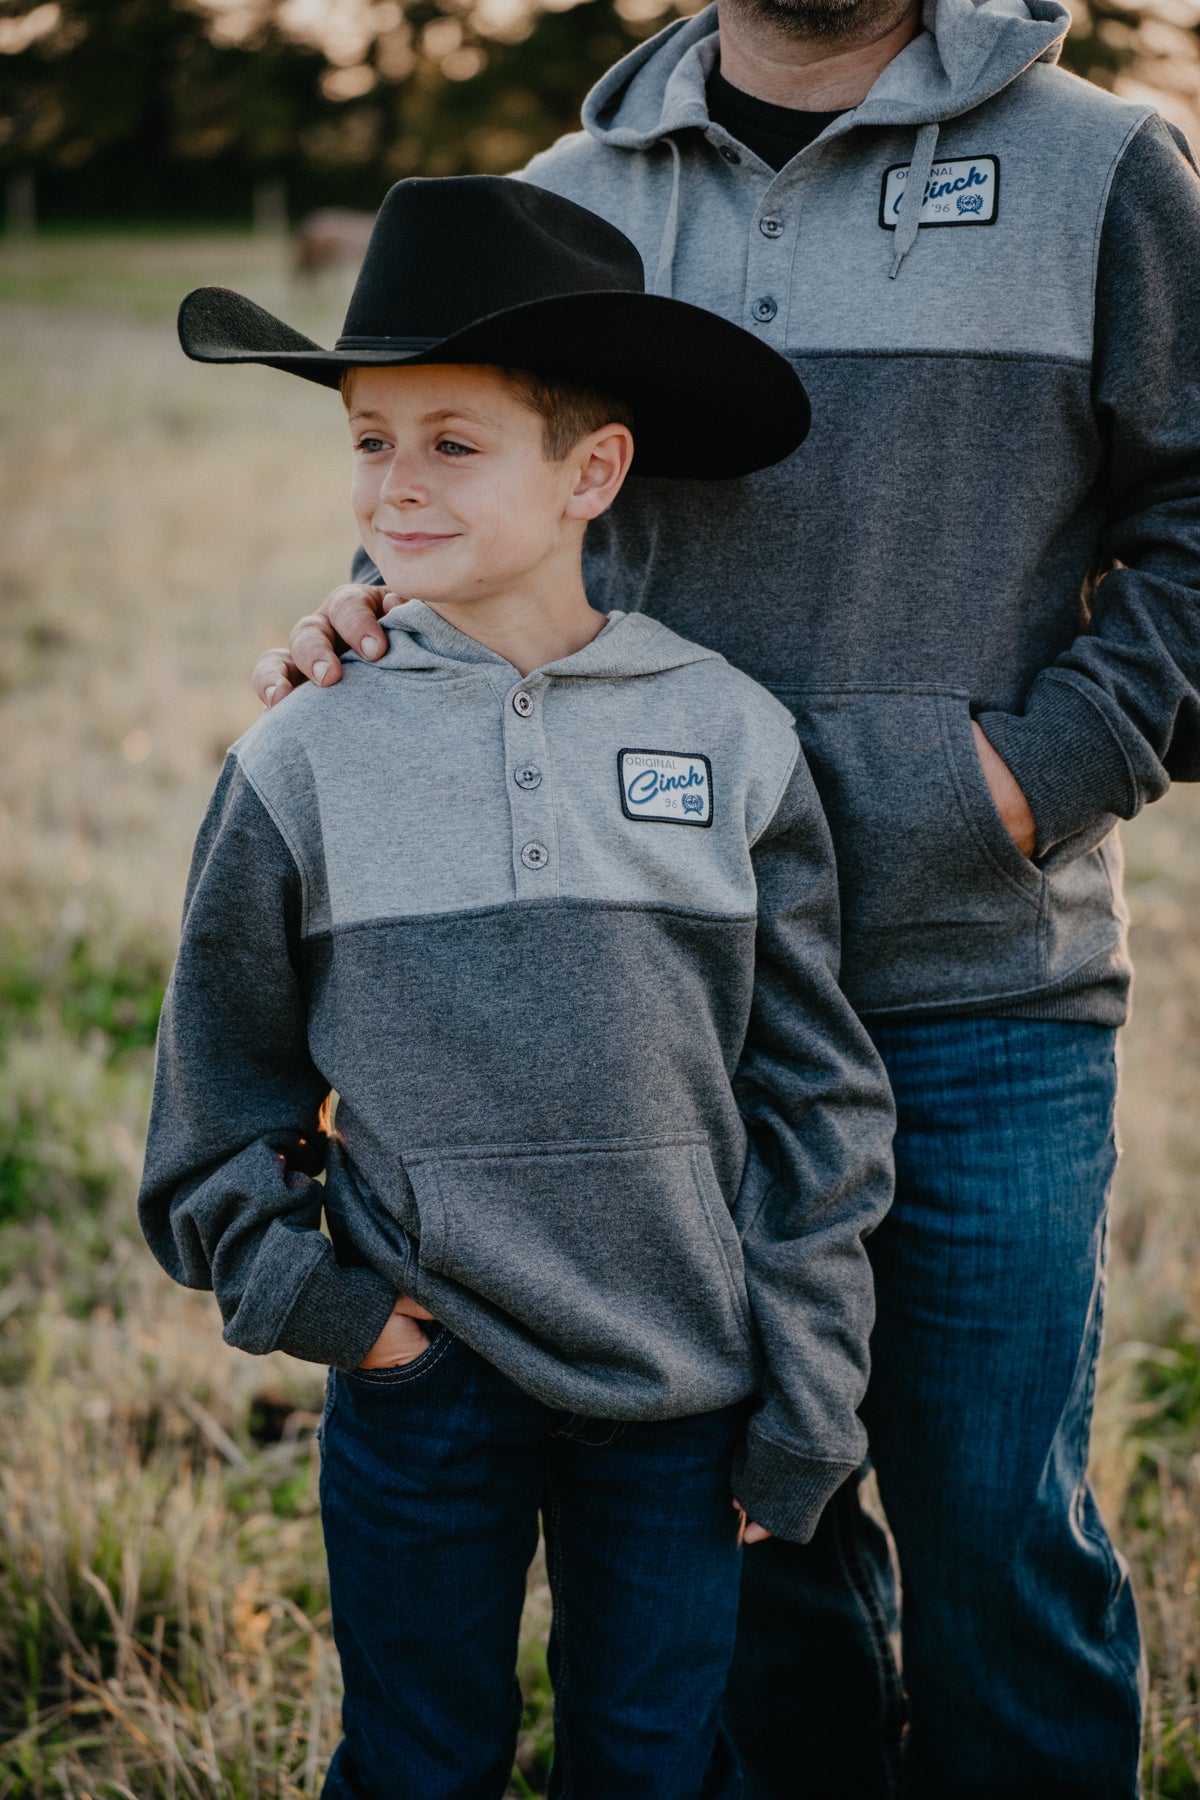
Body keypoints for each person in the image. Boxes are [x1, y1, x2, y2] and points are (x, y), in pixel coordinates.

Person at [254, 0, 1200, 1792]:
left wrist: (1031, 777)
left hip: (978, 982)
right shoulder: (571, 186)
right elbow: (471, 492)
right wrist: (360, 624)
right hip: (650, 1025)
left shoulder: (1105, 168)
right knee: (749, 1543)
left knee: (992, 1528)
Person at [138, 175, 896, 1800]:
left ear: (593, 472)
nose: (393, 486)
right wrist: (355, 1324)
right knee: (414, 1766)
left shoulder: (736, 739)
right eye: (367, 438)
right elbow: (214, 1104)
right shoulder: (302, 755)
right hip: (427, 1387)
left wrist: (808, 1397)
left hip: (683, 1390)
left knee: (654, 1764)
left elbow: (815, 1093)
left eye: (453, 442)